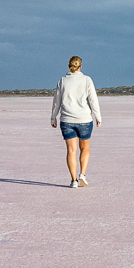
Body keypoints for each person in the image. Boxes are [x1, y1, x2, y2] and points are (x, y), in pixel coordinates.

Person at [50, 56, 102, 187]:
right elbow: (93, 100)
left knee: (71, 151)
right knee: (85, 148)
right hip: (84, 120)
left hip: (67, 120)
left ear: (69, 66)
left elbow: (56, 102)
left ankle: (73, 180)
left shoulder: (62, 81)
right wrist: (98, 117)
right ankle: (82, 174)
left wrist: (53, 117)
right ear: (80, 66)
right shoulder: (86, 80)